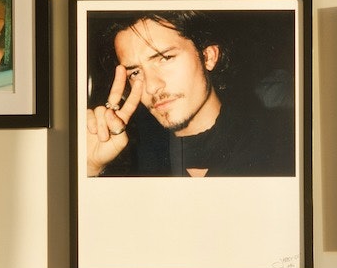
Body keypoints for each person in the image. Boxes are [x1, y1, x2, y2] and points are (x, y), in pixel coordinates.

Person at [86, 11, 295, 178]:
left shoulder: (283, 146)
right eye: (135, 72)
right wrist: (90, 167)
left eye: (165, 58)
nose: (151, 87)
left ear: (208, 57)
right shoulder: (132, 161)